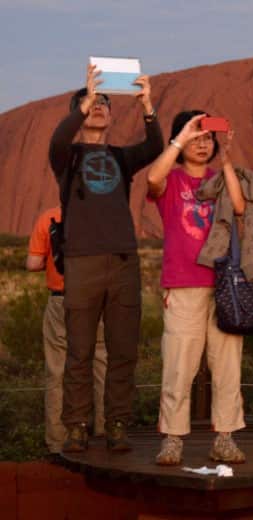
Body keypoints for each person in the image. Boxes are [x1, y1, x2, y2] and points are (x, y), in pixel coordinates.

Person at [48, 64, 163, 452]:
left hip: (123, 261)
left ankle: (116, 425)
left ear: (113, 116)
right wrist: (82, 102)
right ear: (78, 113)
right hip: (82, 262)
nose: (99, 107)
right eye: (91, 103)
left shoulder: (120, 157)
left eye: (104, 103)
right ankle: (77, 426)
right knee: (79, 351)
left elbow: (154, 148)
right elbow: (57, 140)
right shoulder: (68, 157)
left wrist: (148, 106)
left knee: (123, 351)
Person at [146, 111, 252, 465]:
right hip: (183, 284)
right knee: (179, 365)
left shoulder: (218, 178)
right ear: (182, 140)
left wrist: (227, 161)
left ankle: (224, 437)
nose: (203, 143)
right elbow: (152, 178)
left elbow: (239, 207)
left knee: (227, 365)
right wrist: (181, 139)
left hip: (223, 286)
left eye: (208, 137)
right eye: (197, 137)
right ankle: (173, 439)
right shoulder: (173, 182)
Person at [27, 207, 108, 453]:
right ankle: (107, 434)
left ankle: (57, 441)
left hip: (61, 301)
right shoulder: (101, 216)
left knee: (57, 370)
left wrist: (50, 264)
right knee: (102, 366)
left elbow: (32, 264)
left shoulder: (48, 217)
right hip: (96, 301)